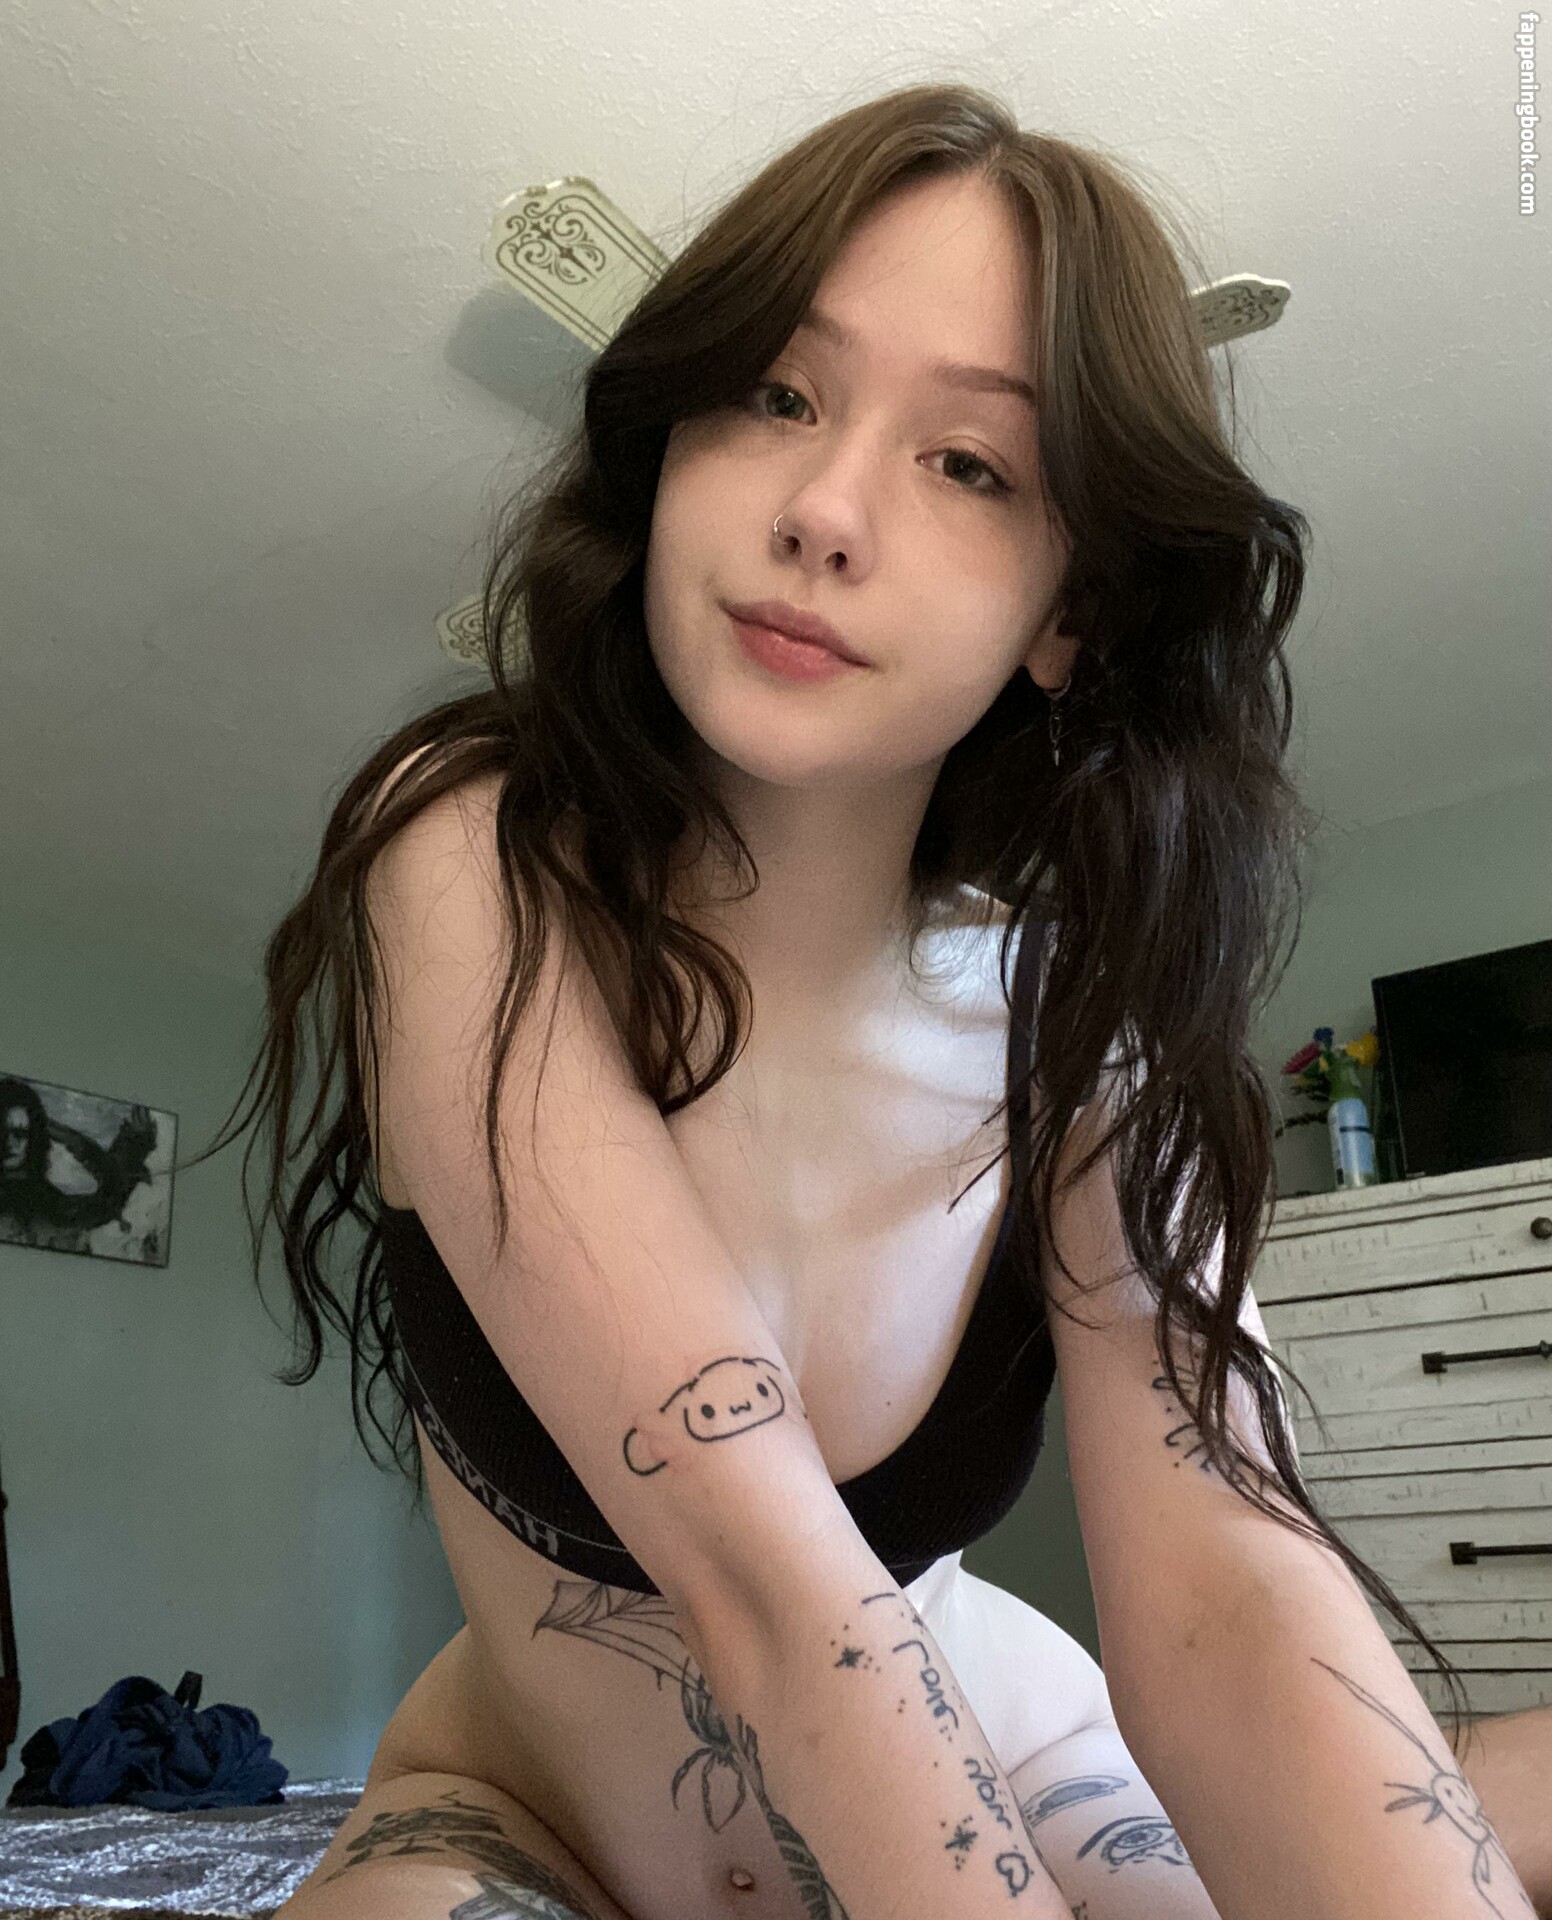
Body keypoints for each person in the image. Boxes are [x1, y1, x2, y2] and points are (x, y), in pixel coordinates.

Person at [205, 83, 1541, 1920]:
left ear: (1069, 615)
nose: (825, 511)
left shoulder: (1086, 1031)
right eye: (776, 394)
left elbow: (1233, 1581)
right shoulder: (468, 853)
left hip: (1026, 1758)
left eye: (970, 464)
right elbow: (768, 1586)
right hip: (524, 1814)